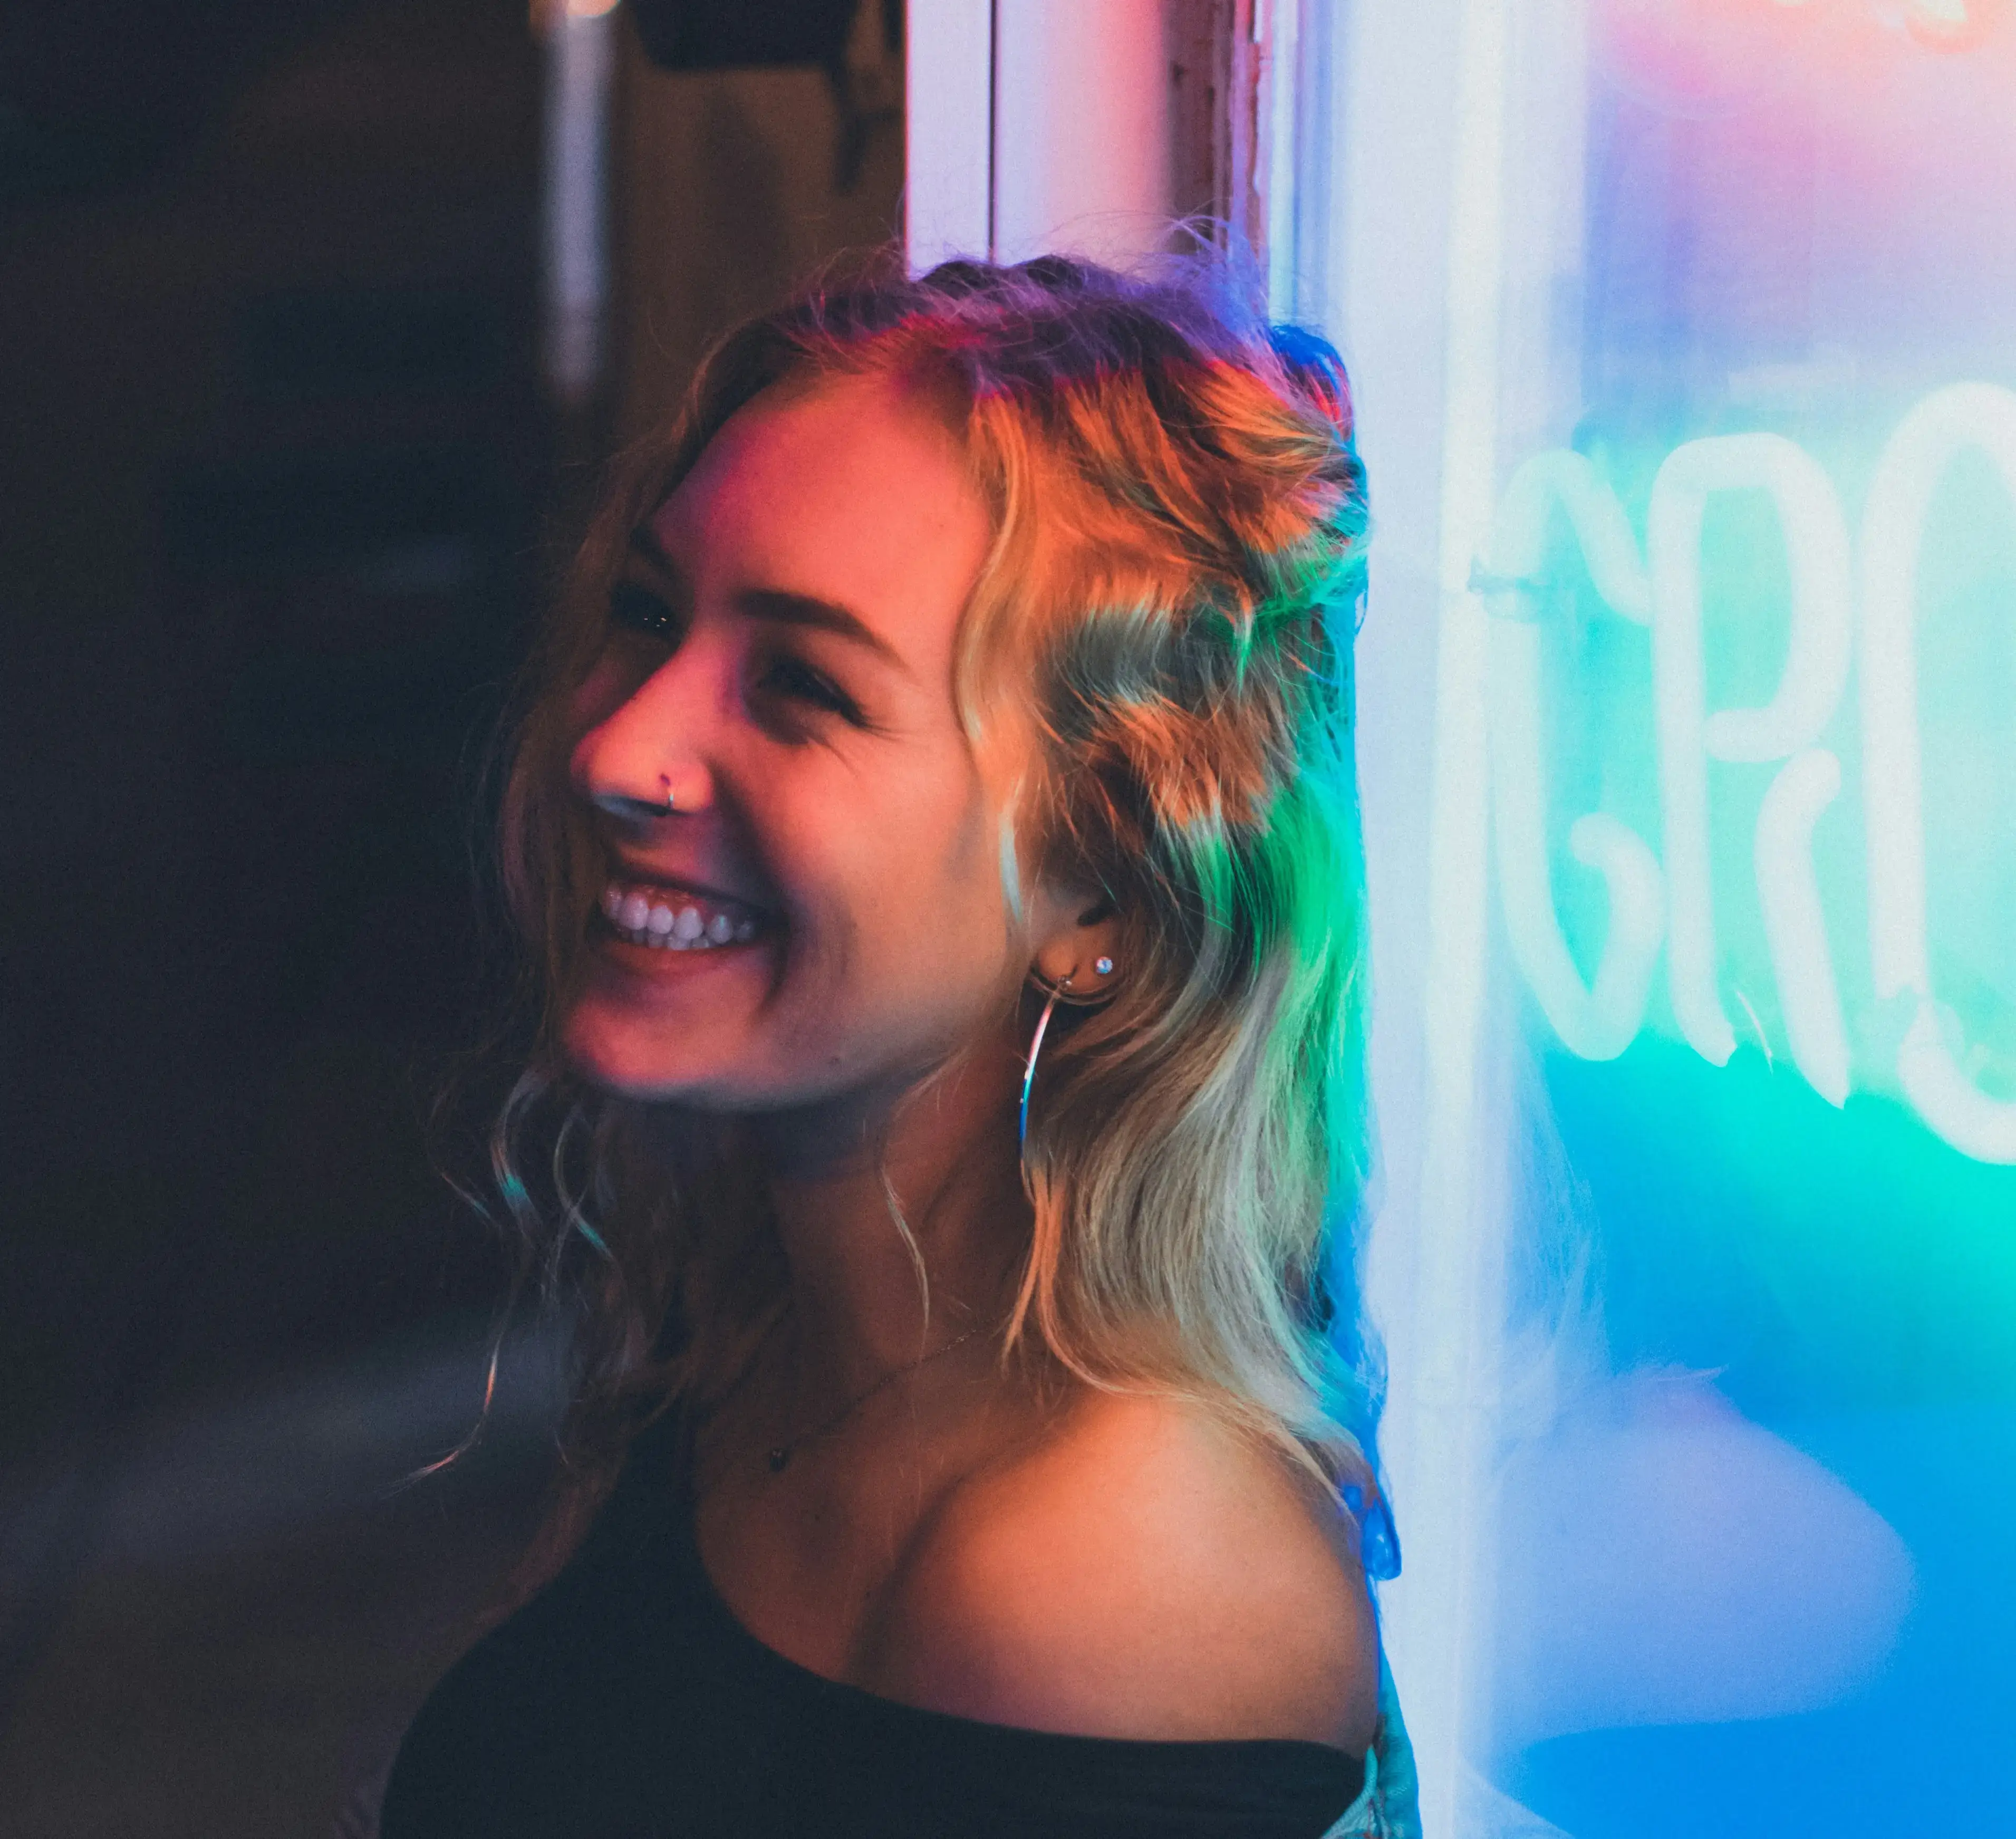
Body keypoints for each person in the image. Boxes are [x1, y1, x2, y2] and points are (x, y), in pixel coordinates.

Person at [374, 250, 1418, 1838]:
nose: (616, 745)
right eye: (651, 612)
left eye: (801, 686)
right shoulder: (751, 1304)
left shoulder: (1117, 1572)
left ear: (1106, 886)